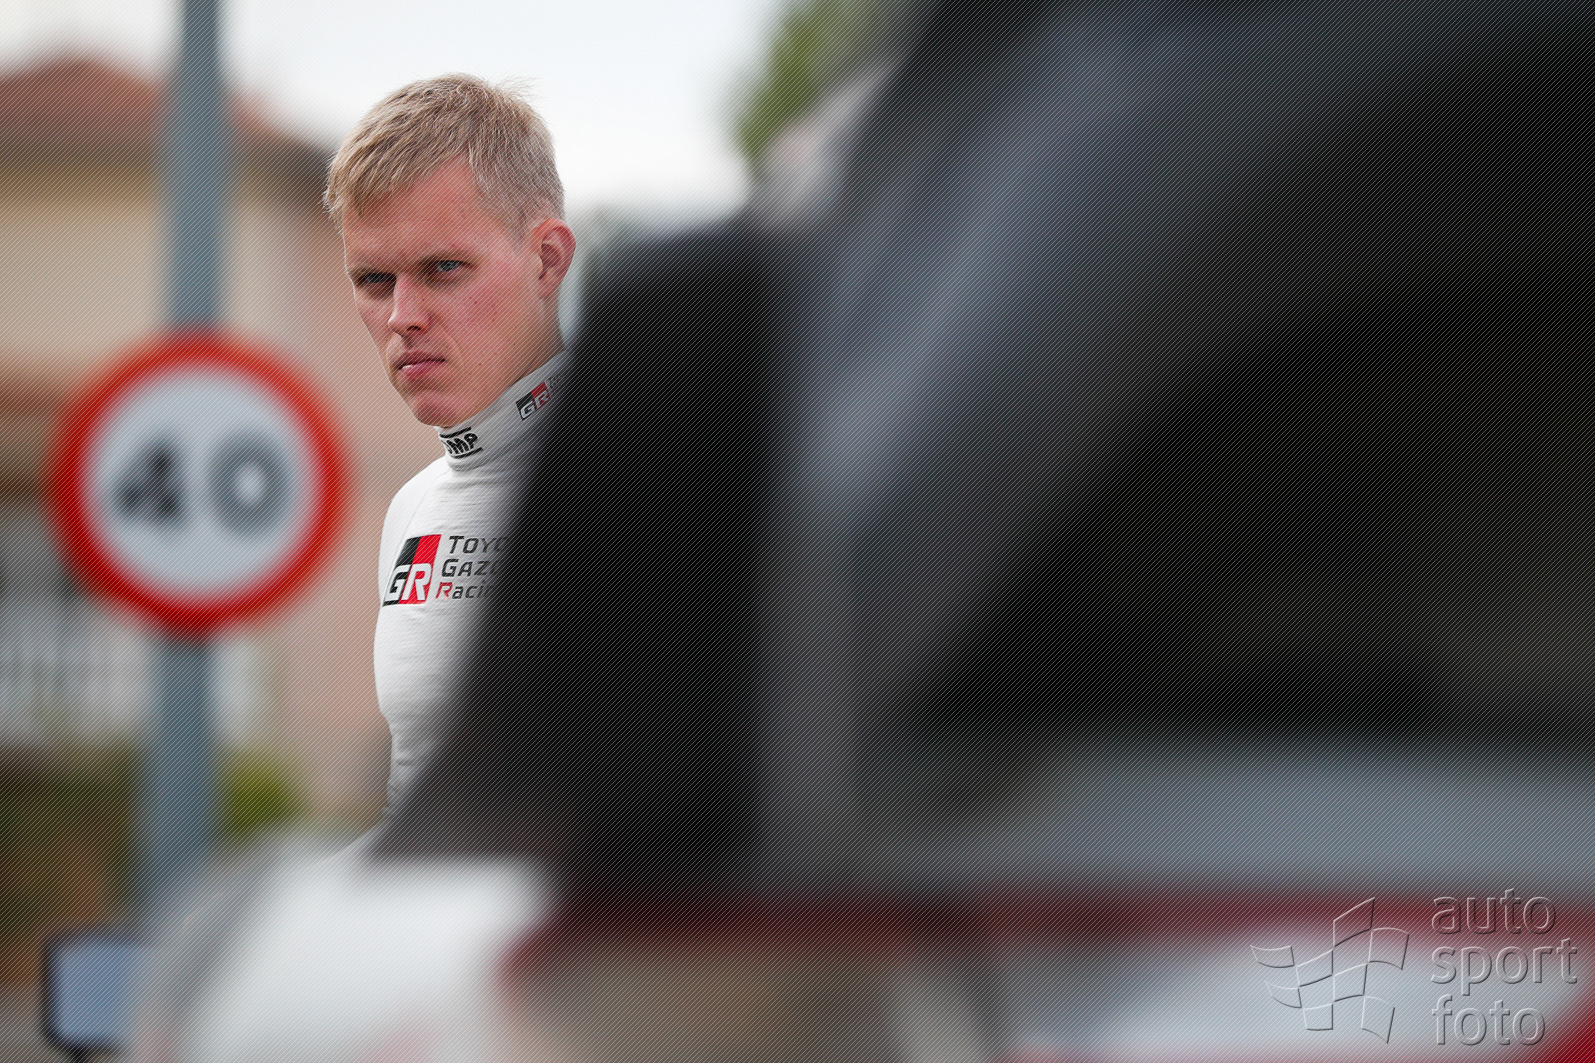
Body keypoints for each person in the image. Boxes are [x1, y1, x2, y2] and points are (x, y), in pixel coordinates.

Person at [323, 74, 576, 808]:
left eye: (443, 270)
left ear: (547, 260)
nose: (403, 315)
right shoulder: (413, 508)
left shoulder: (660, 477)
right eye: (374, 280)